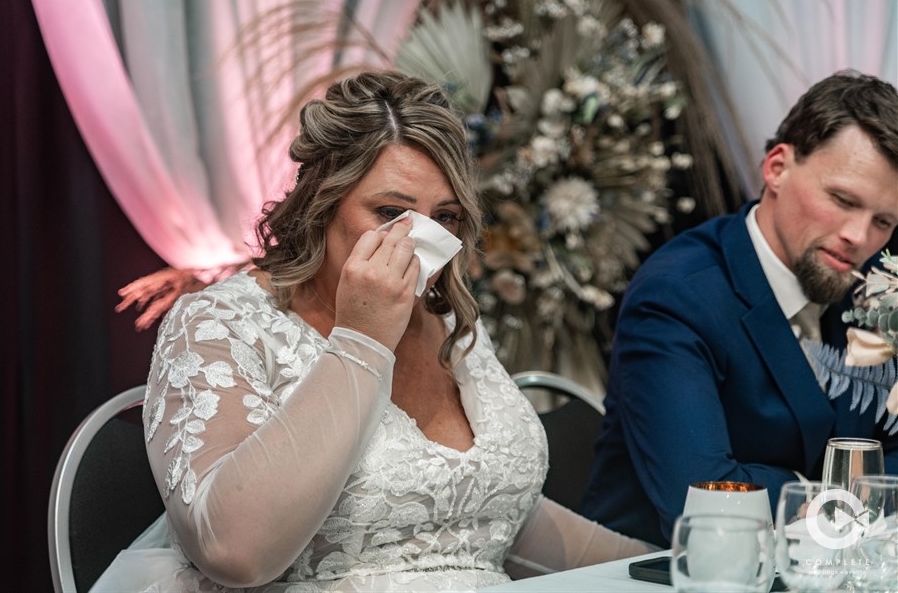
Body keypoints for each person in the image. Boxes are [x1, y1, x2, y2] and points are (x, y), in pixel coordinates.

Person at [93, 71, 651, 592]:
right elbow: (234, 550)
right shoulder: (220, 324)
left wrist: (672, 565)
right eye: (391, 213)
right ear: (322, 204)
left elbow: (495, 517)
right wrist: (361, 342)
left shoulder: (448, 323)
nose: (421, 240)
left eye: (446, 218)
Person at [580, 70, 898, 547]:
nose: (859, 236)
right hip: (652, 569)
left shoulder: (870, 281)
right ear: (776, 168)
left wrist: (782, 486)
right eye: (841, 199)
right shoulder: (676, 297)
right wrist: (839, 496)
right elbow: (702, 497)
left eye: (883, 220)